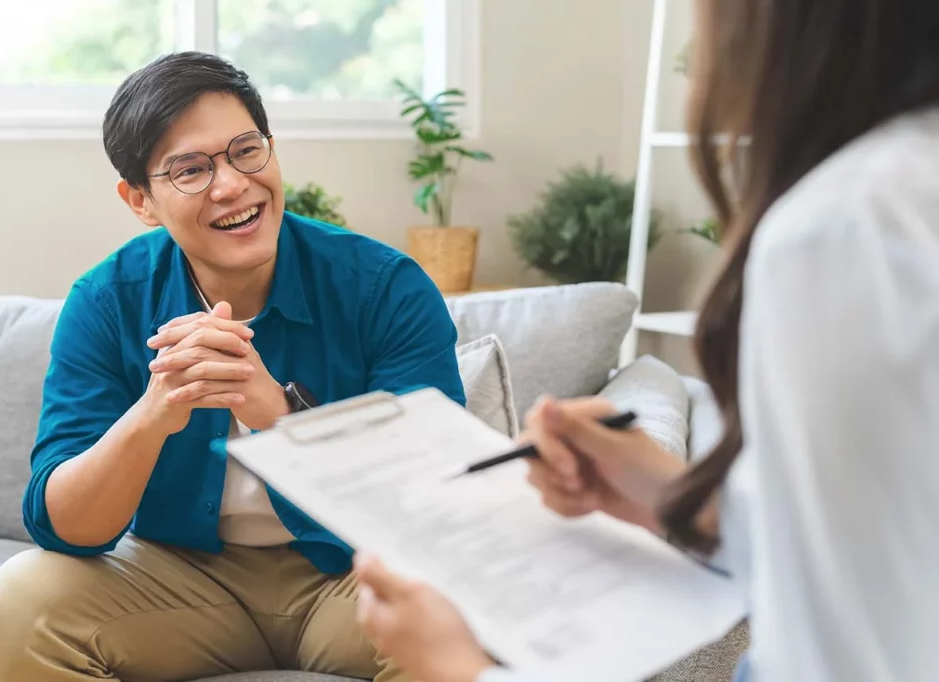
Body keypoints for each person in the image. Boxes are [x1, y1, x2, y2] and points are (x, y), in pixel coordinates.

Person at [352, 0, 939, 680]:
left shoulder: (850, 228)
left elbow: (851, 651)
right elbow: (872, 545)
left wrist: (465, 669)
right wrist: (684, 501)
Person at [0, 51, 465, 682]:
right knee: (24, 601)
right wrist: (154, 413)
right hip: (181, 584)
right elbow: (64, 528)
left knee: (459, 602)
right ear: (140, 200)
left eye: (245, 150)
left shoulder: (384, 286)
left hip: (353, 580)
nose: (232, 184)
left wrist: (274, 413)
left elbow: (432, 499)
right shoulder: (106, 301)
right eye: (191, 169)